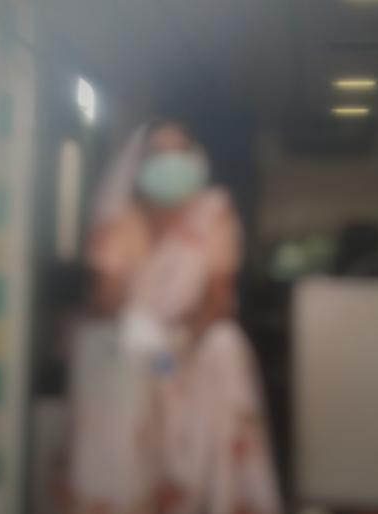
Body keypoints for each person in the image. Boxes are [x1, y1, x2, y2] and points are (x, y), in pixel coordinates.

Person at [67, 122, 281, 514]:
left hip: (191, 340)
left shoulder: (213, 212)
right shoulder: (121, 220)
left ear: (195, 160)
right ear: (140, 165)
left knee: (226, 344)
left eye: (180, 151)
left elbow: (219, 297)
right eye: (160, 153)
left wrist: (181, 342)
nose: (171, 161)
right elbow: (105, 299)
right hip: (134, 343)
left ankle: (219, 498)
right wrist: (136, 325)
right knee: (98, 347)